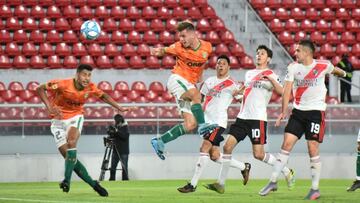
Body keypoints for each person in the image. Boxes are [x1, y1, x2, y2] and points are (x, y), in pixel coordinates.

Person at [259, 39, 348, 200]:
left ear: (307, 52)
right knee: (286, 144)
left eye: (298, 50)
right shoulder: (293, 68)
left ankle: (315, 189)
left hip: (316, 112)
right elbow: (286, 91)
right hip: (298, 112)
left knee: (312, 147)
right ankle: (273, 181)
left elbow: (335, 70)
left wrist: (343, 73)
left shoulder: (323, 65)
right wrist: (283, 112)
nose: (295, 53)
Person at [205, 45, 294, 194]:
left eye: (262, 53)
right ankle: (220, 184)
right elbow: (247, 93)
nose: (259, 55)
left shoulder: (271, 73)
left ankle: (286, 170)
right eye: (257, 53)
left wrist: (271, 80)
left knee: (258, 154)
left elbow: (282, 92)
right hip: (242, 117)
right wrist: (239, 94)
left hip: (257, 119)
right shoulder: (249, 74)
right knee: (227, 147)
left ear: (269, 58)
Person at [36, 64, 131, 196]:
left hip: (75, 117)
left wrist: (118, 107)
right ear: (77, 74)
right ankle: (94, 184)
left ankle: (67, 180)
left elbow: (103, 96)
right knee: (69, 158)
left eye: (89, 75)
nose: (87, 78)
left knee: (72, 141)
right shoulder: (62, 84)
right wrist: (49, 107)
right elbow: (39, 88)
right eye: (84, 74)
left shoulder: (91, 87)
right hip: (57, 121)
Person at [177, 55, 250, 193]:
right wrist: (187, 98)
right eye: (218, 63)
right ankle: (243, 167)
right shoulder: (209, 81)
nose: (220, 65)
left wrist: (241, 95)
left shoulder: (232, 84)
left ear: (228, 66)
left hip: (218, 122)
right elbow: (200, 98)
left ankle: (192, 185)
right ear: (215, 66)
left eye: (223, 63)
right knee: (215, 155)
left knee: (204, 148)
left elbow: (242, 100)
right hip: (206, 122)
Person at [149, 21, 217, 160]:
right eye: (180, 36)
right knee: (195, 94)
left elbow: (202, 62)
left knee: (190, 124)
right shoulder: (178, 47)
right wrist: (157, 51)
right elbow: (165, 50)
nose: (181, 39)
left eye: (184, 36)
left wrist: (200, 76)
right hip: (177, 79)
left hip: (190, 83)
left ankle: (160, 141)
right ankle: (203, 126)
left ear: (193, 34)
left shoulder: (207, 47)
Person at [109, 114, 130, 181]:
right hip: (115, 150)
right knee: (113, 167)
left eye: (115, 120)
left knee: (124, 167)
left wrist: (116, 131)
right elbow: (113, 136)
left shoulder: (125, 127)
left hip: (124, 151)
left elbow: (124, 136)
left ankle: (125, 180)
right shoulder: (116, 127)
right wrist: (110, 132)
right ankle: (112, 179)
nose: (114, 122)